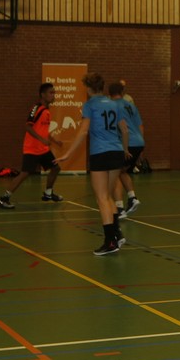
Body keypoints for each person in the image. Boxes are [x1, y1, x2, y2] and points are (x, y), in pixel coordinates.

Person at [58, 73, 130, 255]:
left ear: (89, 88)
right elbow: (124, 130)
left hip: (100, 153)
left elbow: (83, 132)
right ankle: (117, 234)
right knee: (109, 196)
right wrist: (125, 149)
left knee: (102, 198)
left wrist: (68, 153)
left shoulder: (90, 105)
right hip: (116, 152)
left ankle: (110, 242)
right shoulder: (114, 104)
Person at [0, 83, 65, 209]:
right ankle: (4, 198)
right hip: (32, 149)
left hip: (43, 149)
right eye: (51, 93)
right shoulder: (37, 108)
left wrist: (55, 141)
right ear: (43, 95)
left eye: (54, 93)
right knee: (24, 174)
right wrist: (41, 139)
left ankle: (48, 193)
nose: (53, 95)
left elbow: (43, 130)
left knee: (56, 168)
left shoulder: (47, 111)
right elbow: (27, 126)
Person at [109, 81, 144, 217]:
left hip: (126, 143)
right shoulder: (131, 105)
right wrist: (141, 149)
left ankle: (119, 208)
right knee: (122, 171)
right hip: (139, 142)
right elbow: (140, 126)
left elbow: (120, 128)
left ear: (109, 94)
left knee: (115, 172)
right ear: (122, 93)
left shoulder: (113, 106)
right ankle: (132, 198)